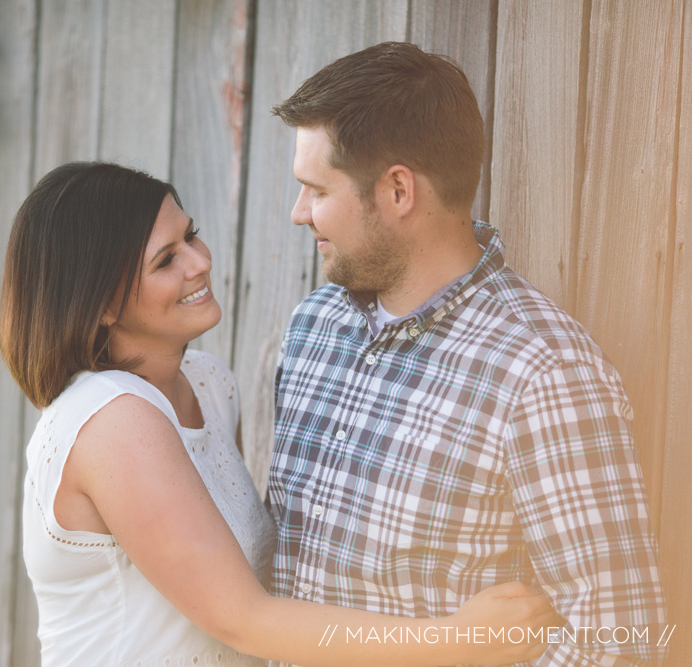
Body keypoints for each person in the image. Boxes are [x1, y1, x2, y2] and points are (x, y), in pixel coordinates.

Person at [0, 161, 559, 666]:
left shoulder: (210, 385)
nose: (199, 263)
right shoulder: (111, 419)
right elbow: (243, 620)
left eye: (190, 235)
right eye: (167, 260)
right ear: (99, 304)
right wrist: (455, 641)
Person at [267, 41, 668, 665]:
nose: (298, 214)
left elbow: (618, 640)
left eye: (316, 190)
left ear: (398, 190)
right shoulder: (314, 328)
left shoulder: (542, 374)